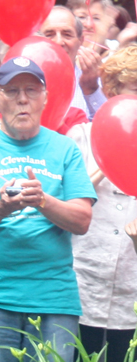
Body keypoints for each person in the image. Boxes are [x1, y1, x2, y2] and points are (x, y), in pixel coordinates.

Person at [0, 57, 96, 362]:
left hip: (54, 297)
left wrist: (42, 200)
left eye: (31, 90)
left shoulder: (65, 148)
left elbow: (82, 220)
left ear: (45, 98)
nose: (22, 99)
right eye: (12, 91)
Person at [68, 44, 137, 362]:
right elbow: (57, 204)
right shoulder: (81, 137)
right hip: (81, 288)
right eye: (134, 89)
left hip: (131, 297)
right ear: (113, 91)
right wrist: (100, 169)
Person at [40, 6, 106, 120]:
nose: (59, 42)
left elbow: (107, 127)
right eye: (49, 34)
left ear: (80, 41)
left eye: (67, 34)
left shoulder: (95, 82)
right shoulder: (23, 80)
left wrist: (91, 90)